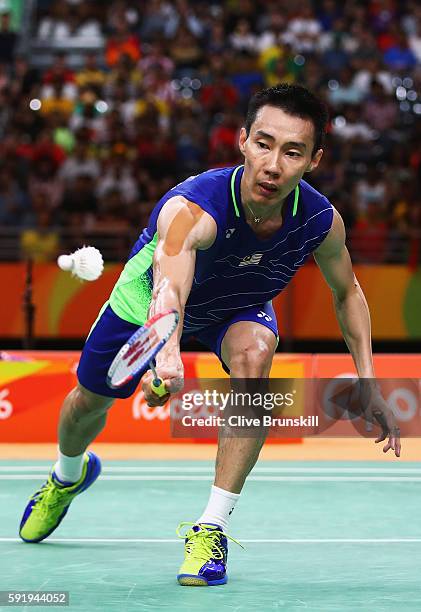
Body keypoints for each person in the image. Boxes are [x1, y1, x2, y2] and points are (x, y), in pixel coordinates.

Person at [19, 84, 401, 586]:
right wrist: (167, 353)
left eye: (293, 152)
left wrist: (368, 379)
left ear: (314, 160)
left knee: (256, 354)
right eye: (263, 144)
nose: (273, 165)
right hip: (148, 303)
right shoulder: (192, 208)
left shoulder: (320, 222)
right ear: (242, 140)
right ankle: (67, 476)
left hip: (236, 306)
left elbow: (348, 291)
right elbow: (170, 286)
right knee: (87, 403)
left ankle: (211, 527)